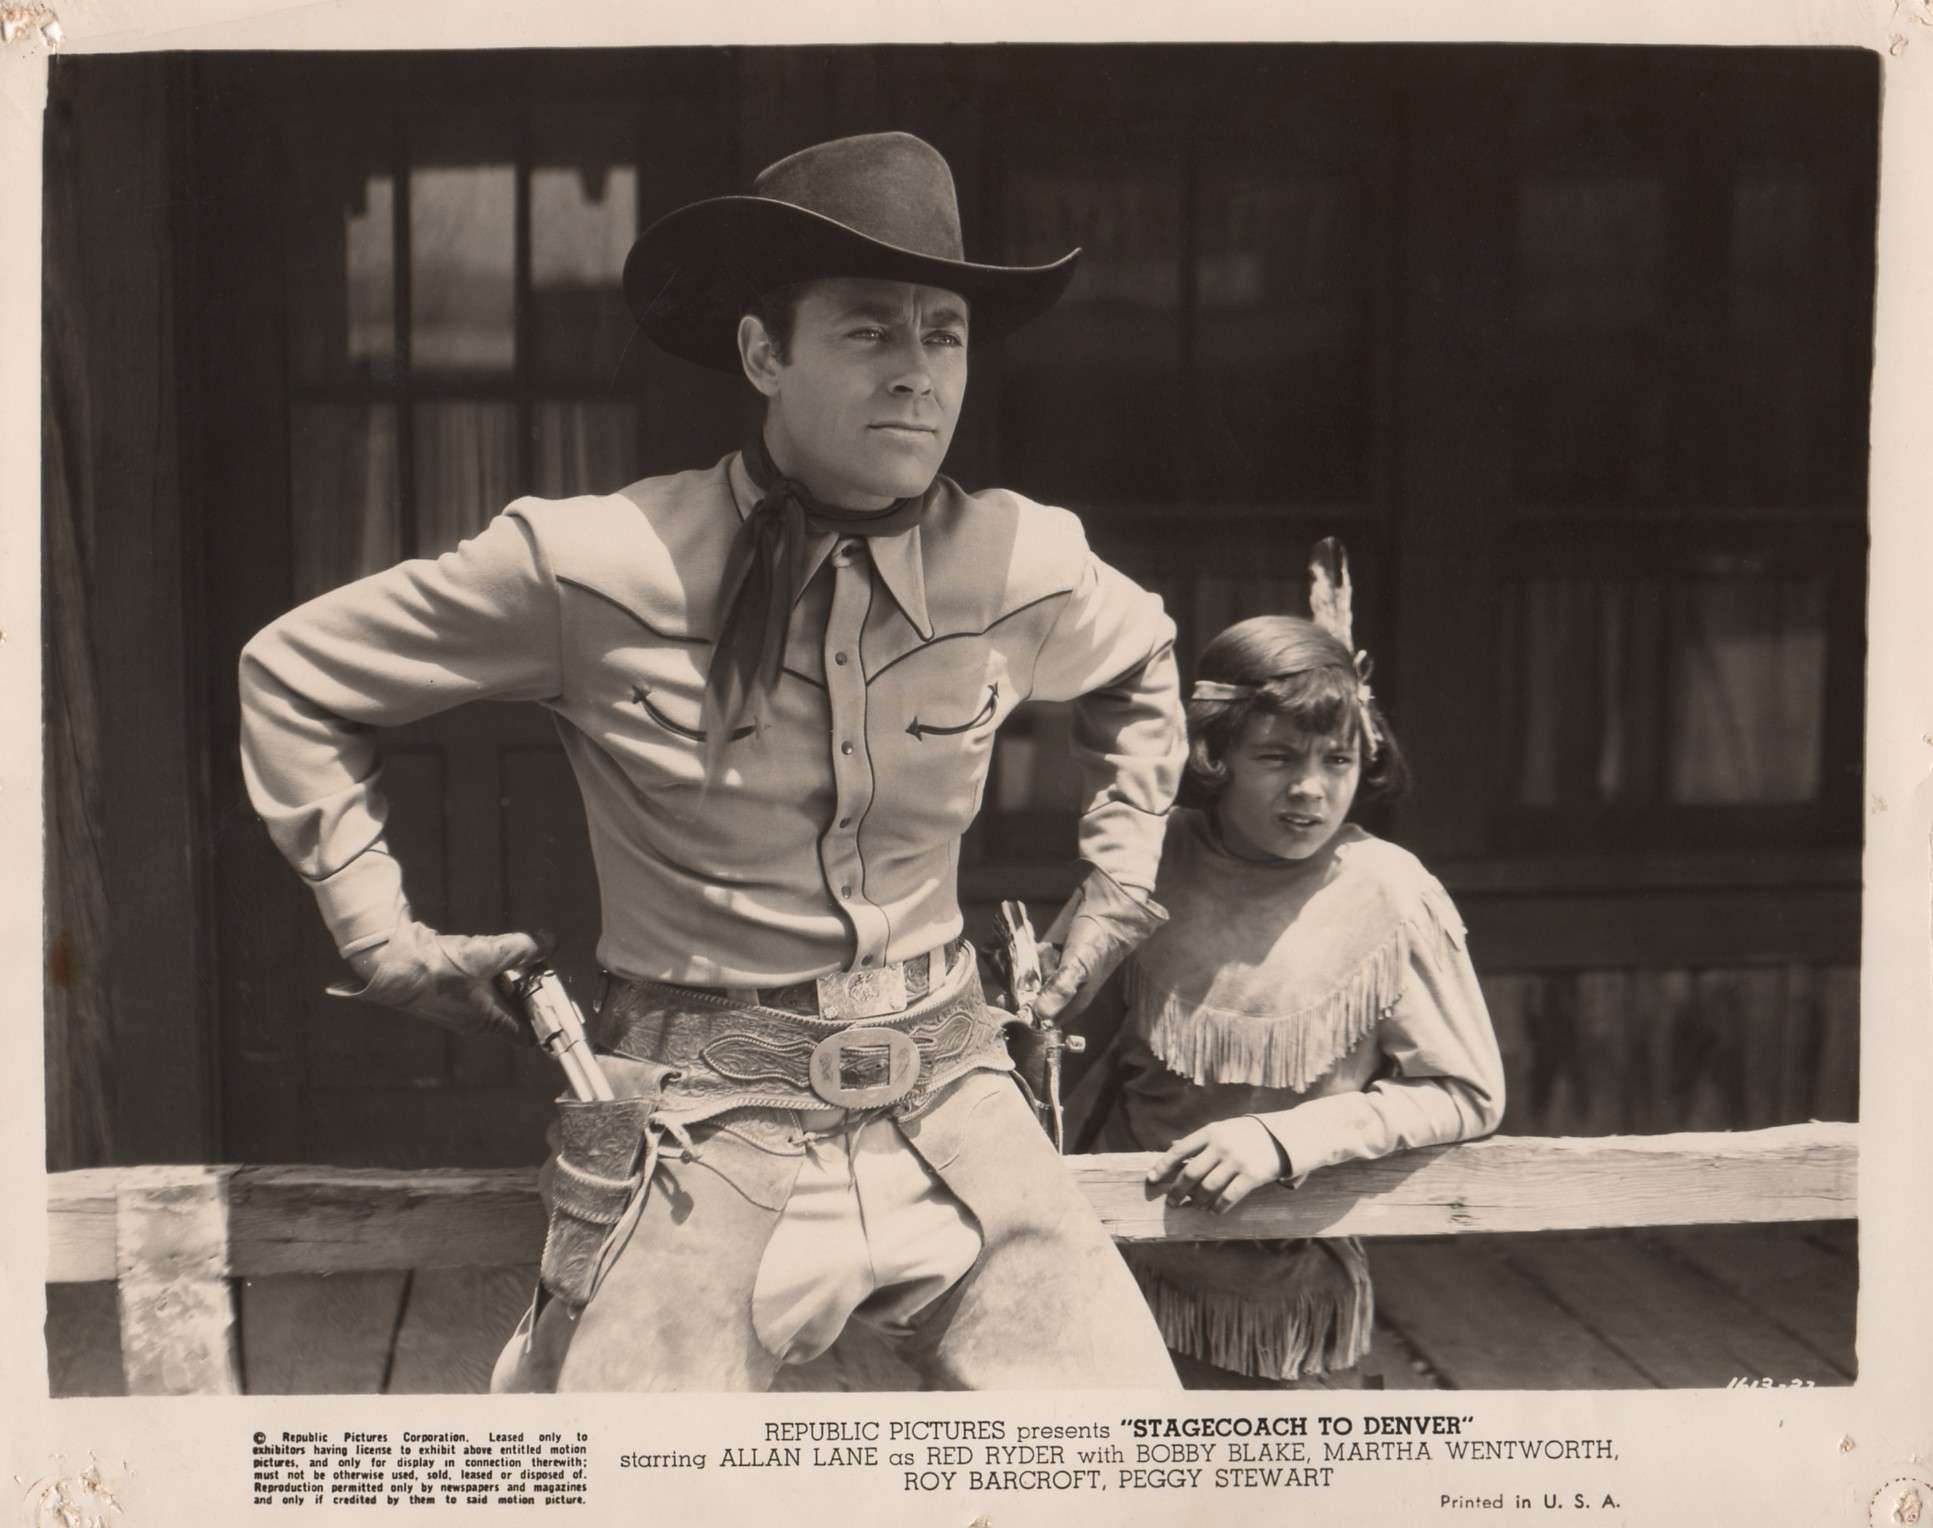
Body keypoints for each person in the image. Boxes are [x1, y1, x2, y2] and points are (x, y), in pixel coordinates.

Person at [238, 130, 1186, 1392]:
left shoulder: (1023, 559)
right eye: (867, 330)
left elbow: (1143, 661)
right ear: (762, 355)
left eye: (943, 335)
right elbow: (294, 672)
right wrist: (385, 943)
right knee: (619, 1472)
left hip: (958, 1105)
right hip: (703, 1133)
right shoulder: (593, 564)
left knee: (1137, 1451)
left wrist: (1116, 887)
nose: (916, 373)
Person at [1072, 543, 1506, 1389]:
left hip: (1276, 1297)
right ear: (1216, 756)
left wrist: (1284, 1137)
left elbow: (1466, 1093)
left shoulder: (1390, 891)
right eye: (1276, 758)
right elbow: (1058, 1051)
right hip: (1115, 1268)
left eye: (1335, 760)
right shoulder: (1149, 861)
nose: (1310, 789)